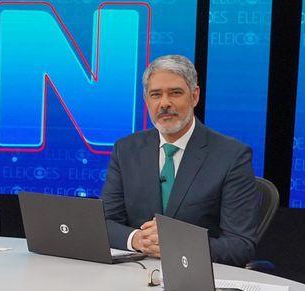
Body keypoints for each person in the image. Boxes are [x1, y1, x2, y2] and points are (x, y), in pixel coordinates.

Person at [100, 54, 259, 266]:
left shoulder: (232, 156)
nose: (165, 103)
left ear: (194, 96)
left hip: (197, 276)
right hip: (135, 273)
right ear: (147, 101)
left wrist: (175, 243)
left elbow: (240, 245)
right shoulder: (126, 149)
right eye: (156, 95)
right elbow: (105, 223)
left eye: (175, 93)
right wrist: (138, 239)